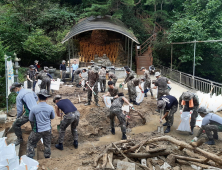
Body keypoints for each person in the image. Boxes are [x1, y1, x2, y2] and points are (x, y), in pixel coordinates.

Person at [27, 89, 55, 159]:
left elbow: (30, 119)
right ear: (47, 98)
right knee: (47, 144)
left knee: (31, 143)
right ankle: (47, 157)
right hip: (48, 129)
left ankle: (30, 157)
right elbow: (52, 117)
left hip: (38, 130)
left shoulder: (34, 108)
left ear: (38, 97)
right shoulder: (50, 108)